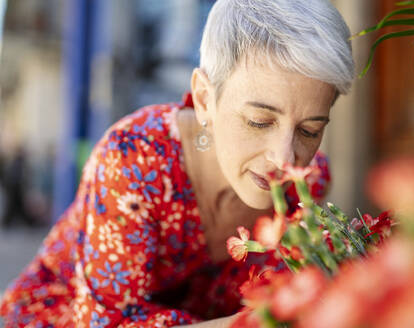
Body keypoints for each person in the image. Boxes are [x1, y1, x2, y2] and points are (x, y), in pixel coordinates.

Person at [0, 0, 354, 326]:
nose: (284, 158)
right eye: (259, 121)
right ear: (203, 99)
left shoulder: (308, 182)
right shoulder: (134, 160)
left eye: (309, 131)